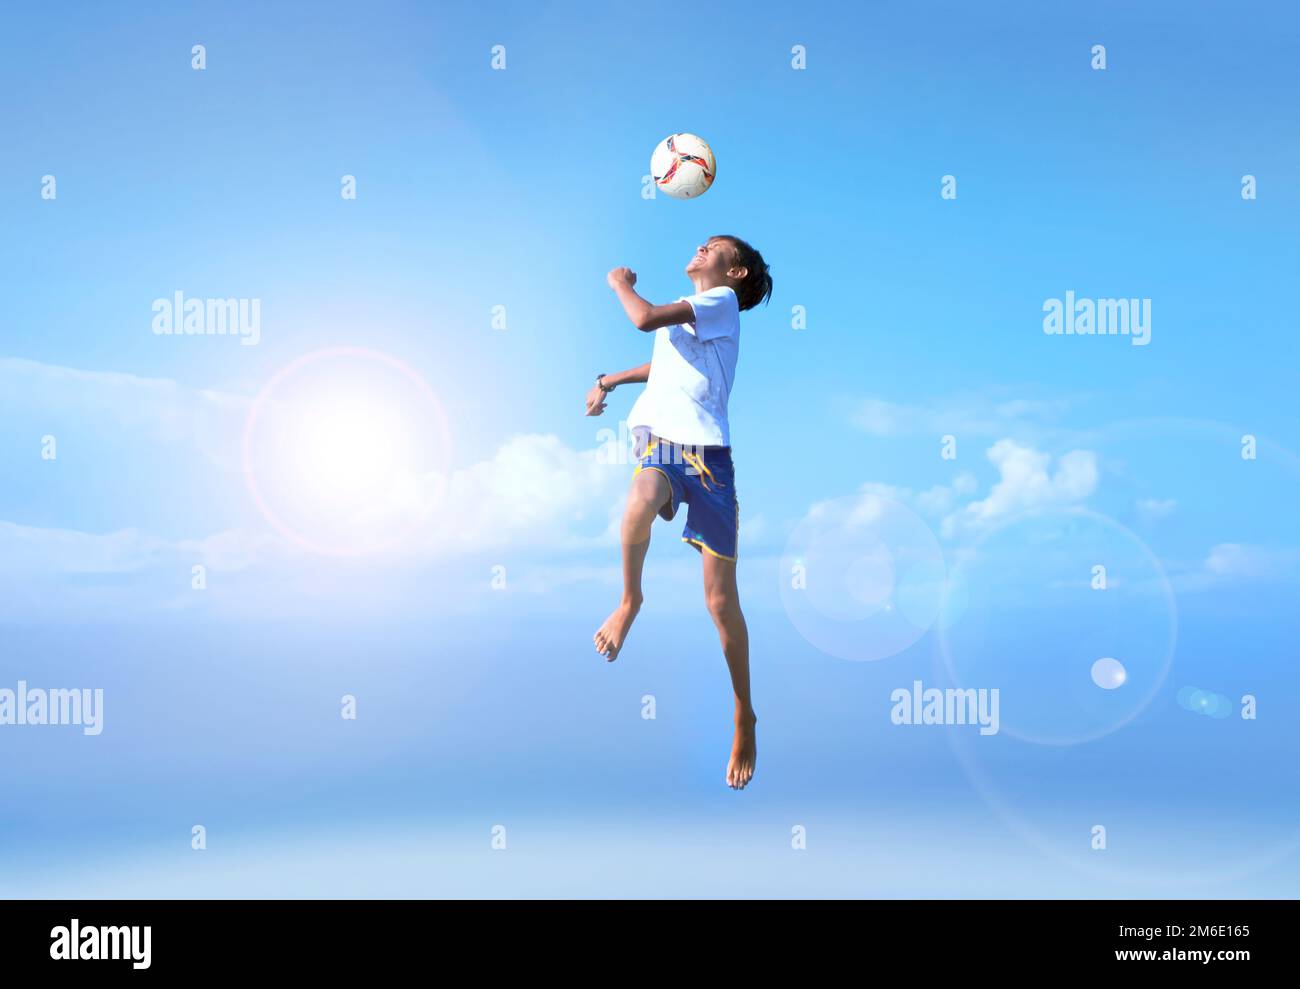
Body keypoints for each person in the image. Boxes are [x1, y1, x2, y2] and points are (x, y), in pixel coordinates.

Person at [585, 235, 772, 790]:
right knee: (640, 498)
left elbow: (643, 320)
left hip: (711, 462)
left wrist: (620, 283)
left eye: (712, 247)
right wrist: (607, 381)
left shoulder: (721, 303)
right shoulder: (695, 319)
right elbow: (662, 359)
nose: (698, 248)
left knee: (720, 602)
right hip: (664, 449)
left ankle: (744, 711)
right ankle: (629, 599)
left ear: (734, 272)